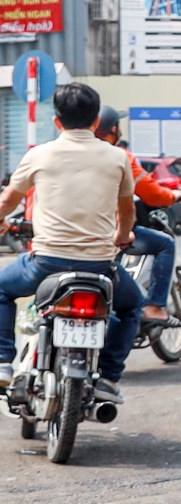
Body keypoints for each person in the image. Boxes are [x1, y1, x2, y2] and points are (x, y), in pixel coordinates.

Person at [0, 83, 143, 405]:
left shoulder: (39, 154)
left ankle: (3, 361)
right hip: (100, 267)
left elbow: (9, 200)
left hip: (45, 265)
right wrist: (122, 236)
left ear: (57, 121)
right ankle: (108, 377)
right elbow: (127, 209)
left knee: (2, 290)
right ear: (96, 121)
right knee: (133, 306)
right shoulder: (118, 157)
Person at [94, 108, 179, 322]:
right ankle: (155, 307)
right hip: (110, 233)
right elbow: (152, 194)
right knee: (165, 244)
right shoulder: (121, 157)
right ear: (113, 129)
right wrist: (172, 196)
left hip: (69, 236)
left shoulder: (63, 155)